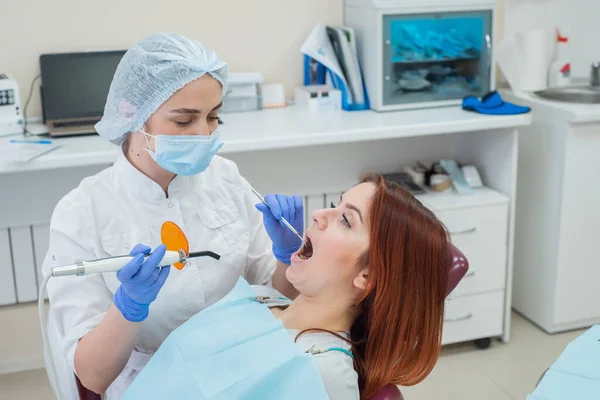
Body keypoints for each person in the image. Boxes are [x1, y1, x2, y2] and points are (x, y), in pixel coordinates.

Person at [41, 33, 303, 399]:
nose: (204, 135)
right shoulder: (82, 213)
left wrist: (287, 256)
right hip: (151, 382)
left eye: (213, 117)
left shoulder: (226, 178)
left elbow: (278, 296)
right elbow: (93, 376)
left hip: (241, 366)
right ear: (132, 113)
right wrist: (128, 308)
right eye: (184, 121)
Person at [124, 174, 451, 400]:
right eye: (335, 204)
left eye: (346, 220)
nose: (321, 214)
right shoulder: (259, 297)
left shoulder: (326, 373)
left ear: (368, 277)